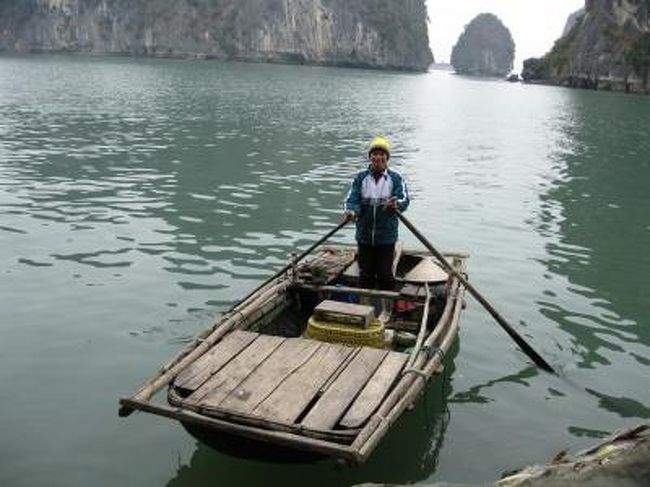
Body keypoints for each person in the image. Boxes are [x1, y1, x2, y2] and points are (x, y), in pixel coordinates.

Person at [343, 136, 410, 291]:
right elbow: (352, 199)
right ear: (370, 157)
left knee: (385, 275)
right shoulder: (361, 178)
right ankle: (363, 307)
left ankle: (387, 306)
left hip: (385, 237)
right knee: (365, 275)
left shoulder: (395, 178)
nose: (378, 158)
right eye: (375, 154)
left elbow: (404, 200)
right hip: (364, 236)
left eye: (382, 154)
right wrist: (351, 211)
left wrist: (395, 205)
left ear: (387, 158)